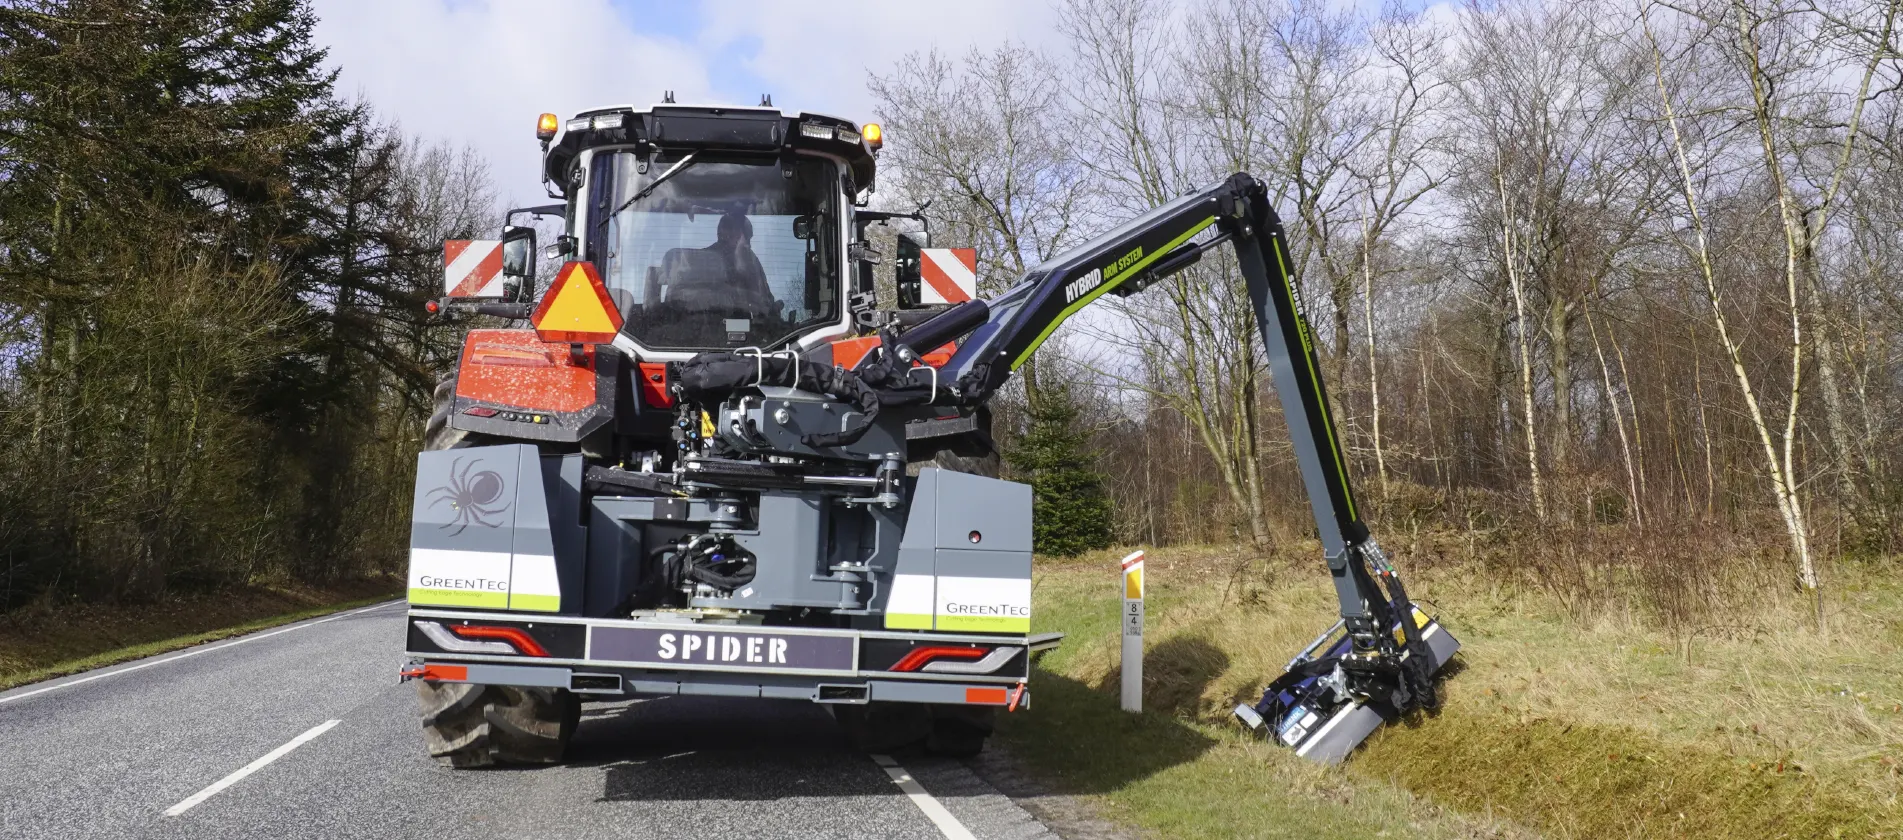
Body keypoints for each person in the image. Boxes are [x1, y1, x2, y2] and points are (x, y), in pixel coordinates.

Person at [703, 211, 776, 314]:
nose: (748, 245)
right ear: (727, 234)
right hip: (709, 325)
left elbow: (765, 299)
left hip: (751, 327)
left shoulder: (751, 260)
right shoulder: (704, 260)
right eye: (746, 238)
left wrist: (774, 314)